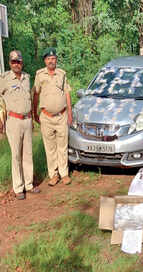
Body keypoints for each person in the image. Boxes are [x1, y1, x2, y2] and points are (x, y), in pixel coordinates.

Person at [0, 50, 40, 200]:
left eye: (19, 61)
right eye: (13, 62)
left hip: (27, 119)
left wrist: (32, 118)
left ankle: (28, 184)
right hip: (13, 121)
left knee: (28, 154)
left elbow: (29, 98)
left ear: (22, 62)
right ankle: (18, 187)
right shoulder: (4, 78)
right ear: (10, 63)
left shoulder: (26, 77)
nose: (16, 64)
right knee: (16, 155)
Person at [33, 48, 73, 186]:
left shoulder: (62, 74)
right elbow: (36, 95)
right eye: (49, 59)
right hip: (46, 117)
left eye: (53, 58)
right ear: (45, 60)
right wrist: (34, 113)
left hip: (62, 116)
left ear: (56, 60)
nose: (51, 61)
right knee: (50, 148)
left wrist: (70, 114)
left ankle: (64, 174)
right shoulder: (39, 75)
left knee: (62, 147)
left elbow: (67, 94)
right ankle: (53, 175)